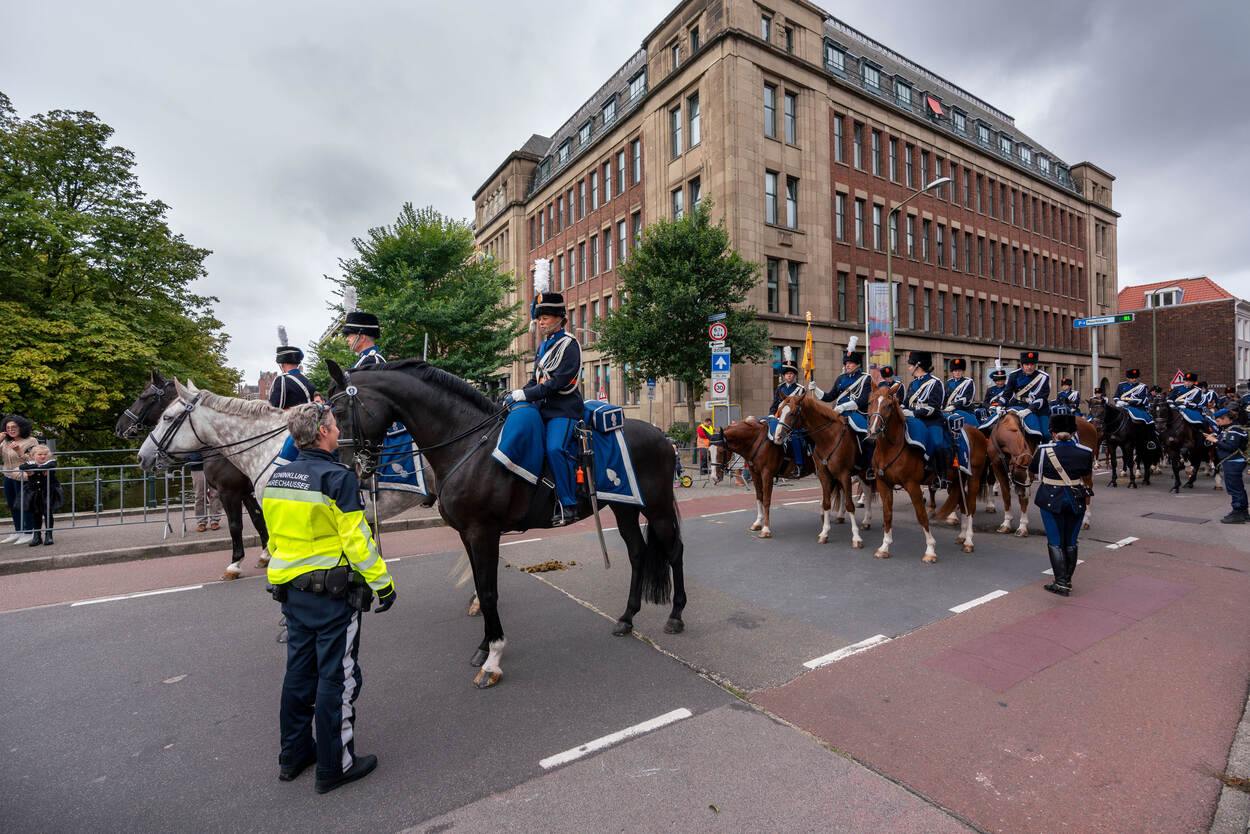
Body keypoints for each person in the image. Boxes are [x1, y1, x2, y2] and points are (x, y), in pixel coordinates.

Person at [263, 402, 396, 794]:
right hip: (333, 597)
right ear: (322, 432)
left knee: (299, 674)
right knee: (337, 678)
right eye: (335, 427)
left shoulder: (278, 479)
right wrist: (383, 584)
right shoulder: (337, 479)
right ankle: (335, 766)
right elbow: (358, 543)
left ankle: (293, 756)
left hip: (292, 593)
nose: (338, 432)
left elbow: (274, 539)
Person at [510, 289, 584, 526]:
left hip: (564, 410)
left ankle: (569, 504)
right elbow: (536, 380)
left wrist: (528, 393)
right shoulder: (543, 347)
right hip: (542, 410)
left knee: (554, 449)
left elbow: (557, 383)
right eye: (539, 317)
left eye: (545, 317)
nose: (540, 322)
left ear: (559, 318)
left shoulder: (569, 345)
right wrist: (518, 395)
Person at [1034, 412, 1093, 596]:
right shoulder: (1085, 452)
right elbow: (1085, 472)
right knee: (1071, 542)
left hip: (1052, 499)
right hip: (1076, 500)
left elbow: (1034, 469)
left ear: (1053, 433)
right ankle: (1067, 579)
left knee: (1055, 542)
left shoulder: (1044, 451)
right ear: (1074, 432)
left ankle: (1061, 583)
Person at [904, 350, 952, 488]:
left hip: (931, 421)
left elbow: (934, 408)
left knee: (937, 443)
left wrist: (913, 413)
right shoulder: (913, 384)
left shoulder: (935, 383)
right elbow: (906, 402)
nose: (909, 368)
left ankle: (942, 476)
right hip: (913, 421)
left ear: (918, 366)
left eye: (911, 365)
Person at [1205, 409, 1248, 524]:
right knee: (1238, 488)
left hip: (1234, 462)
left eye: (1218, 420)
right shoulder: (1228, 429)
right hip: (1231, 462)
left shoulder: (1234, 430)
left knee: (1234, 488)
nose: (1217, 423)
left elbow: (1231, 447)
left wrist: (1215, 441)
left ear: (1226, 418)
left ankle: (1238, 512)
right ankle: (1243, 512)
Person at [2, 414, 38, 545]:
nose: (11, 430)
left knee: (24, 504)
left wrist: (19, 452)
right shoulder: (5, 441)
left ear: (21, 427)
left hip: (23, 477)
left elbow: (34, 460)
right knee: (12, 505)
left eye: (14, 427)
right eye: (8, 427)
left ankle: (29, 532)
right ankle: (19, 531)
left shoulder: (31, 441)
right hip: (8, 476)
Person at [769, 351, 804, 477]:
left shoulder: (800, 389)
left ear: (794, 375)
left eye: (791, 374)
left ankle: (799, 465)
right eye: (787, 374)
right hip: (780, 418)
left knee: (794, 437)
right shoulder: (780, 388)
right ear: (784, 376)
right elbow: (774, 404)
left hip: (794, 421)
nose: (789, 376)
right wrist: (771, 415)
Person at [18, 445, 61, 546]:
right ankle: (37, 536)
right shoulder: (30, 463)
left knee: (48, 514)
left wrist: (38, 468)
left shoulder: (50, 462)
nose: (43, 456)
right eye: (40, 454)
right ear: (33, 456)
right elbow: (22, 467)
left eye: (45, 454)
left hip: (48, 492)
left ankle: (49, 535)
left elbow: (51, 465)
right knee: (36, 514)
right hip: (35, 493)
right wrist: (37, 468)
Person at [1002, 350, 1051, 436]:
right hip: (1016, 405)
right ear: (1022, 365)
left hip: (1037, 409)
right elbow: (1007, 394)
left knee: (1046, 434)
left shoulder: (1043, 377)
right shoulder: (1014, 375)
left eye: (1032, 364)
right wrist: (1000, 406)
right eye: (1027, 364)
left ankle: (1046, 448)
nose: (1029, 367)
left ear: (1035, 365)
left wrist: (1029, 410)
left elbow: (1042, 398)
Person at [269, 330, 316, 410]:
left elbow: (273, 409)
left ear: (282, 365)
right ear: (297, 364)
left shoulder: (282, 380)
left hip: (290, 422)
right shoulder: (308, 381)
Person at [185, 451, 222, 532]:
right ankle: (201, 522)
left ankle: (215, 520)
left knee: (215, 494)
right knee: (199, 496)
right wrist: (191, 457)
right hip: (197, 467)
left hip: (213, 466)